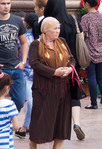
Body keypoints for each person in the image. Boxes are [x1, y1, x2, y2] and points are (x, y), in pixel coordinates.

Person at [28, 17, 76, 148]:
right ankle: (33, 145)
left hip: (63, 88)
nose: (58, 31)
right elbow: (34, 63)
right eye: (55, 28)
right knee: (41, 120)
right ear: (45, 30)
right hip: (44, 89)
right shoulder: (36, 44)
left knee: (61, 121)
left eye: (59, 28)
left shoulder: (62, 41)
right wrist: (54, 72)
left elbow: (71, 59)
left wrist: (69, 69)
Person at [42, 0, 85, 140]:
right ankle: (77, 124)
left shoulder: (47, 22)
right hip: (72, 64)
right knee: (74, 95)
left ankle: (53, 126)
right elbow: (81, 38)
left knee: (53, 94)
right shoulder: (72, 20)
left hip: (53, 64)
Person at [80, 0, 102, 109]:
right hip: (100, 49)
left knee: (91, 77)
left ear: (87, 4)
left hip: (89, 50)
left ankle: (93, 103)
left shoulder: (86, 18)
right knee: (100, 77)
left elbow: (82, 35)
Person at [20, 13, 38, 137]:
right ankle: (26, 126)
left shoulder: (23, 38)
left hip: (26, 73)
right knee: (31, 102)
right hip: (37, 73)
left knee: (31, 102)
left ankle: (25, 126)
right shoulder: (40, 38)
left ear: (26, 23)